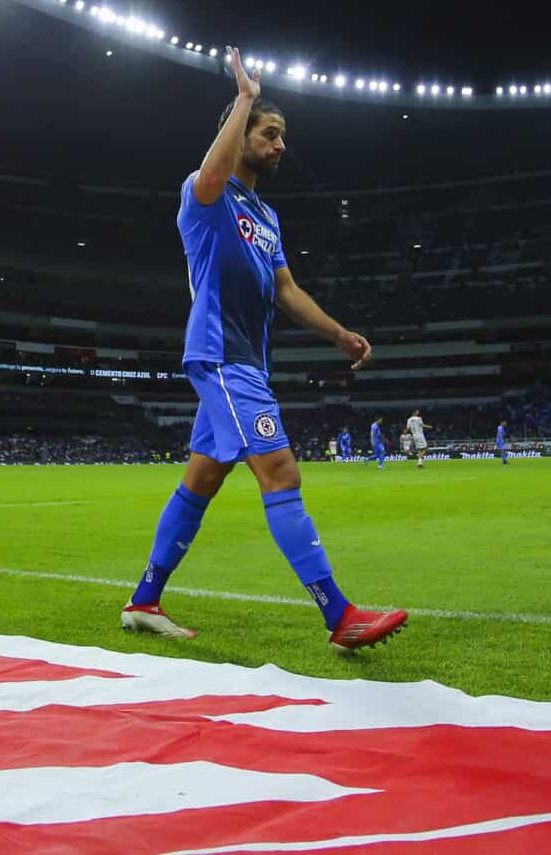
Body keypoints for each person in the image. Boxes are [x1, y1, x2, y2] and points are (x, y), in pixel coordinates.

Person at [121, 50, 406, 652]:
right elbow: (211, 175)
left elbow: (285, 290)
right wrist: (246, 97)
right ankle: (340, 615)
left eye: (283, 137)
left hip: (247, 358)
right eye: (269, 134)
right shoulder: (206, 197)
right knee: (281, 470)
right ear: (241, 133)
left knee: (200, 480)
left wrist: (338, 335)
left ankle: (144, 600)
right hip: (221, 354)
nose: (280, 146)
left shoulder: (268, 216)